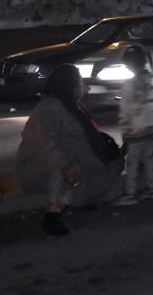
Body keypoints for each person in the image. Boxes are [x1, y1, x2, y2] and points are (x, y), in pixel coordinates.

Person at [14, 65, 123, 236]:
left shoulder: (73, 105)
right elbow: (47, 145)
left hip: (71, 161)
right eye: (79, 82)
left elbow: (87, 135)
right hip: (39, 165)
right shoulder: (49, 108)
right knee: (61, 168)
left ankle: (81, 198)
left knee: (107, 166)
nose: (83, 86)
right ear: (68, 84)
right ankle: (53, 213)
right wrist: (68, 164)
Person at [116, 45, 153, 205]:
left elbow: (125, 111)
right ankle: (152, 189)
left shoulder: (129, 85)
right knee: (148, 158)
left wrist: (126, 131)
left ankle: (130, 194)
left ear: (130, 65)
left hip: (137, 130)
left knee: (132, 162)